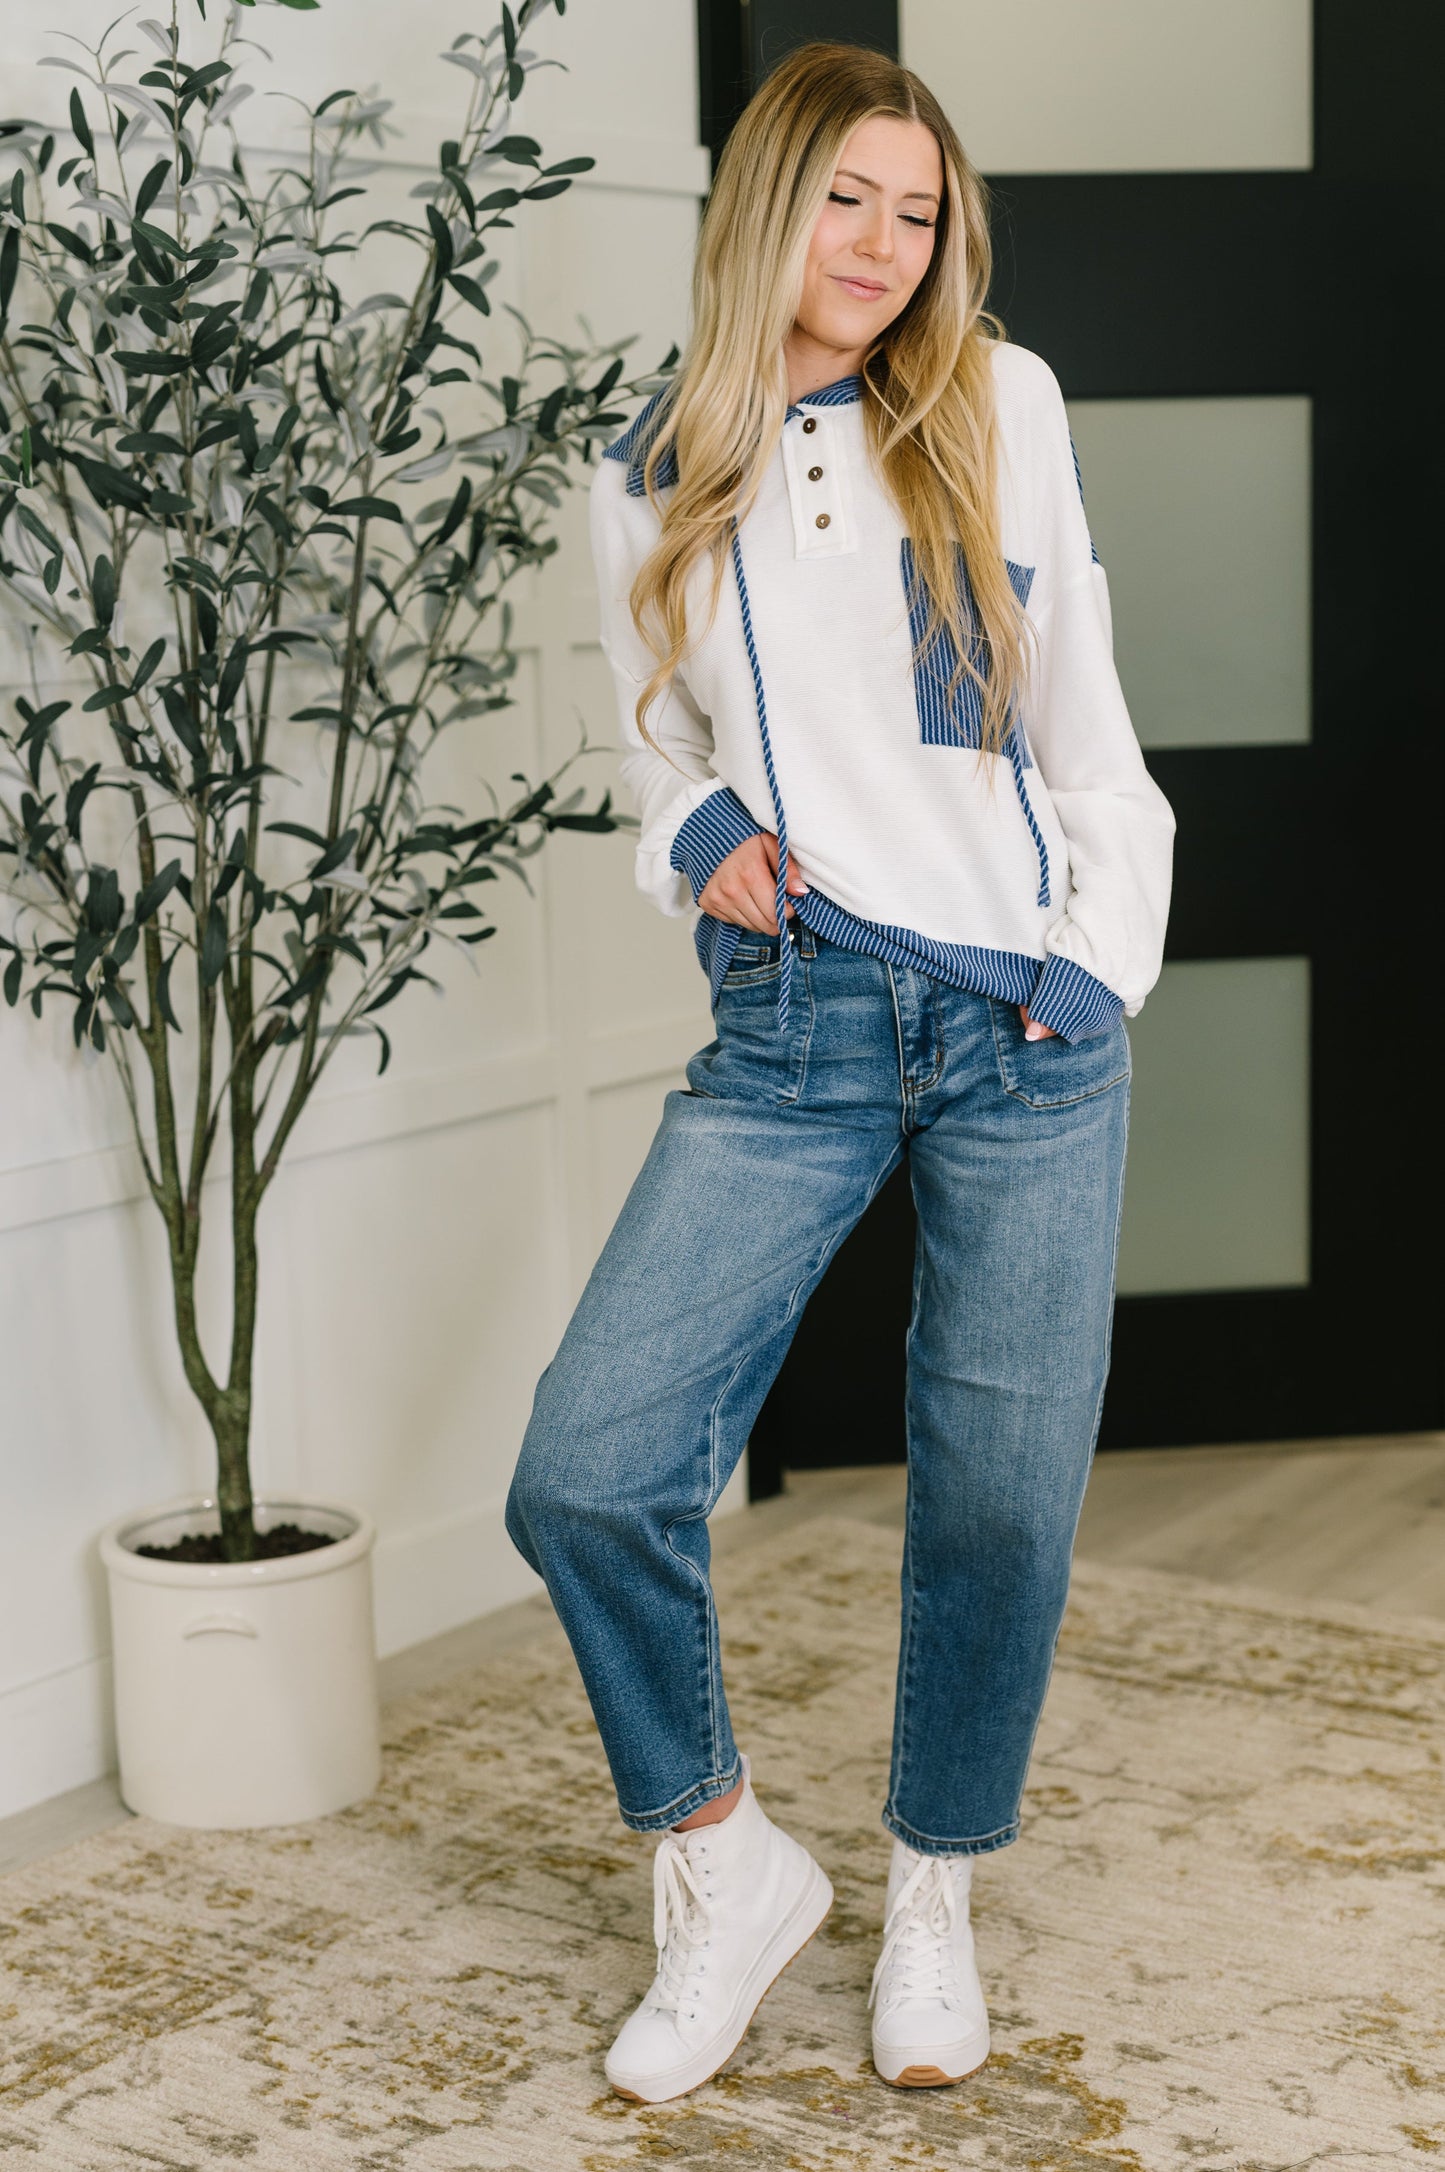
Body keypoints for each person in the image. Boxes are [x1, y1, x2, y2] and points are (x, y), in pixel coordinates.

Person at [505, 39, 1175, 2107]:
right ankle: (726, 1864)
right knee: (589, 1468)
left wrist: (1097, 968)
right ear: (764, 208)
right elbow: (656, 735)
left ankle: (937, 1886)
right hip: (793, 1027)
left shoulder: (1002, 401)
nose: (888, 245)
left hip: (1024, 1027)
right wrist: (688, 836)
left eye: (922, 208)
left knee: (994, 1502)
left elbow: (1082, 724)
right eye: (848, 200)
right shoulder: (650, 452)